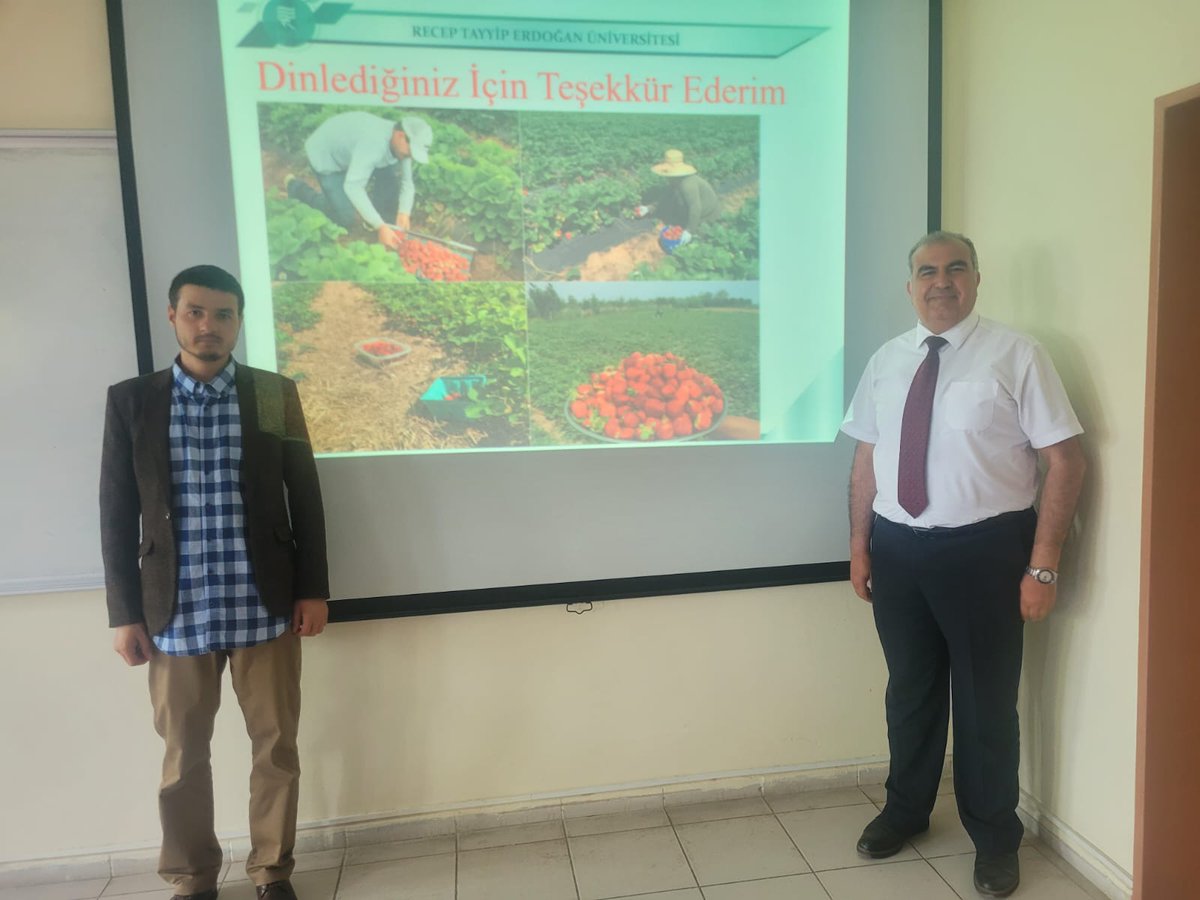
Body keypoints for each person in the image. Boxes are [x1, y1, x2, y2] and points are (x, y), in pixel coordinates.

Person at [840, 232, 1085, 898]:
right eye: (926, 271)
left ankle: (995, 837)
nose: (939, 282)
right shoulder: (888, 360)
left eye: (954, 270)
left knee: (985, 703)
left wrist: (1043, 566)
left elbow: (1065, 460)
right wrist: (861, 543)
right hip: (898, 548)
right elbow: (867, 459)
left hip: (987, 552)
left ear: (976, 279)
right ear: (909, 285)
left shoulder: (1016, 355)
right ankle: (906, 811)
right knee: (911, 690)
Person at [100, 265, 330, 900]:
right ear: (172, 316)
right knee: (182, 758)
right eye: (196, 312)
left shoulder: (273, 394)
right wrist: (125, 611)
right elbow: (116, 509)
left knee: (278, 749)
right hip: (174, 610)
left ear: (238, 322)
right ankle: (193, 878)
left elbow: (304, 497)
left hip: (269, 605)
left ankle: (271, 873)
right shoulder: (133, 400)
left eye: (224, 314)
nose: (210, 326)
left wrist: (314, 588)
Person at [286, 110, 433, 250]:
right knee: (344, 217)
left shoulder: (401, 144)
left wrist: (404, 212)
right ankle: (295, 187)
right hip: (327, 156)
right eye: (410, 152)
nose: (410, 157)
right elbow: (353, 186)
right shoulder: (374, 143)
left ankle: (379, 221)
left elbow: (407, 183)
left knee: (393, 172)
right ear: (401, 136)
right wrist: (379, 225)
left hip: (354, 152)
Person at [634, 149, 721, 246]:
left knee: (697, 236)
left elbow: (695, 208)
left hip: (707, 216)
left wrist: (690, 231)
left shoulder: (688, 184)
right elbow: (665, 197)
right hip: (694, 211)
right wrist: (648, 208)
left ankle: (697, 231)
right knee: (673, 202)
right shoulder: (675, 180)